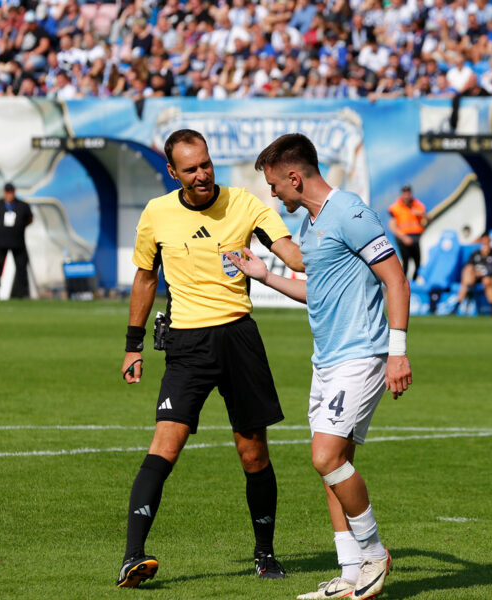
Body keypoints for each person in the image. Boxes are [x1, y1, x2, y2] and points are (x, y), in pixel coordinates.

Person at [225, 133, 412, 600]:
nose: (273, 194)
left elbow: (395, 278)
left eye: (274, 185)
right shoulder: (312, 225)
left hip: (361, 354)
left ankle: (373, 552)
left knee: (325, 457)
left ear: (294, 176)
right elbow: (319, 292)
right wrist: (266, 276)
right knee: (335, 466)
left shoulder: (349, 211)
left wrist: (397, 351)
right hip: (326, 360)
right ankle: (352, 575)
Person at [116, 129, 304, 588]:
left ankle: (265, 554)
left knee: (253, 452)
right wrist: (133, 344)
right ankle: (132, 558)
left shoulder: (246, 204)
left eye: (206, 164)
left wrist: (340, 240)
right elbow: (145, 279)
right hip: (186, 345)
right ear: (172, 172)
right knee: (165, 444)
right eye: (190, 169)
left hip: (239, 339)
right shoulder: (157, 213)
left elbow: (294, 257)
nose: (201, 175)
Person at [0, 183, 33, 299]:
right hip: (1, 242)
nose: (10, 194)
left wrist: (18, 227)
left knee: (21, 268)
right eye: (7, 192)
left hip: (18, 242)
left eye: (11, 192)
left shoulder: (22, 206)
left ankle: (23, 293)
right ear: (4, 192)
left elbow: (30, 219)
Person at [453, 231, 492, 313]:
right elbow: (468, 266)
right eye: (484, 241)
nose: (485, 244)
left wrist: (482, 272)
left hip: (487, 277)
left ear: (490, 242)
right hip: (473, 278)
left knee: (487, 281)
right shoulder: (475, 253)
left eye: (487, 241)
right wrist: (474, 272)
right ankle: (457, 305)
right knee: (467, 272)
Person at [387, 184, 428, 281]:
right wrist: (403, 238)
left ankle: (413, 282)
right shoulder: (395, 208)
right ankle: (403, 283)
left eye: (408, 193)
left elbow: (428, 219)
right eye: (404, 194)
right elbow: (392, 226)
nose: (406, 196)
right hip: (403, 239)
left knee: (417, 263)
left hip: (415, 238)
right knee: (406, 263)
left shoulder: (417, 206)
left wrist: (422, 214)